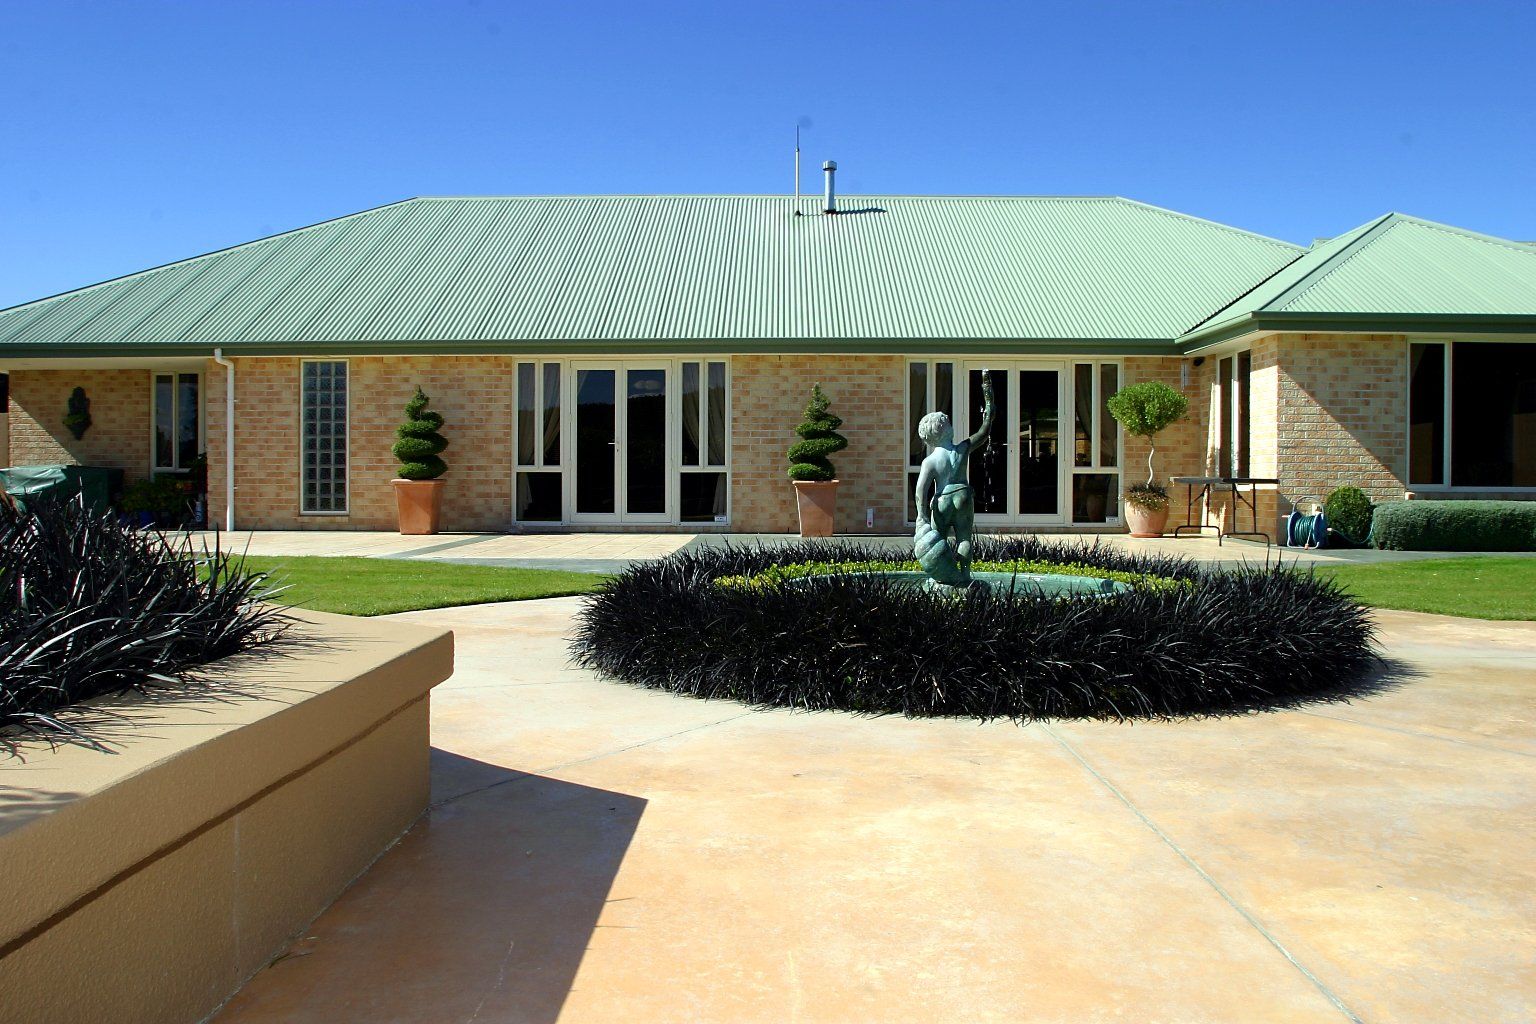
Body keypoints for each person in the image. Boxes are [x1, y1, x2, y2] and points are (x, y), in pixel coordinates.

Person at [914, 371, 995, 586]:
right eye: (947, 424)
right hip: (962, 496)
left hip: (941, 501)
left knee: (938, 539)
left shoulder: (930, 461)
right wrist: (988, 398)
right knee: (964, 539)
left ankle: (942, 578)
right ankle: (965, 576)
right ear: (944, 431)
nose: (951, 425)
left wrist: (921, 515)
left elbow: (920, 491)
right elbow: (985, 430)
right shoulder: (962, 449)